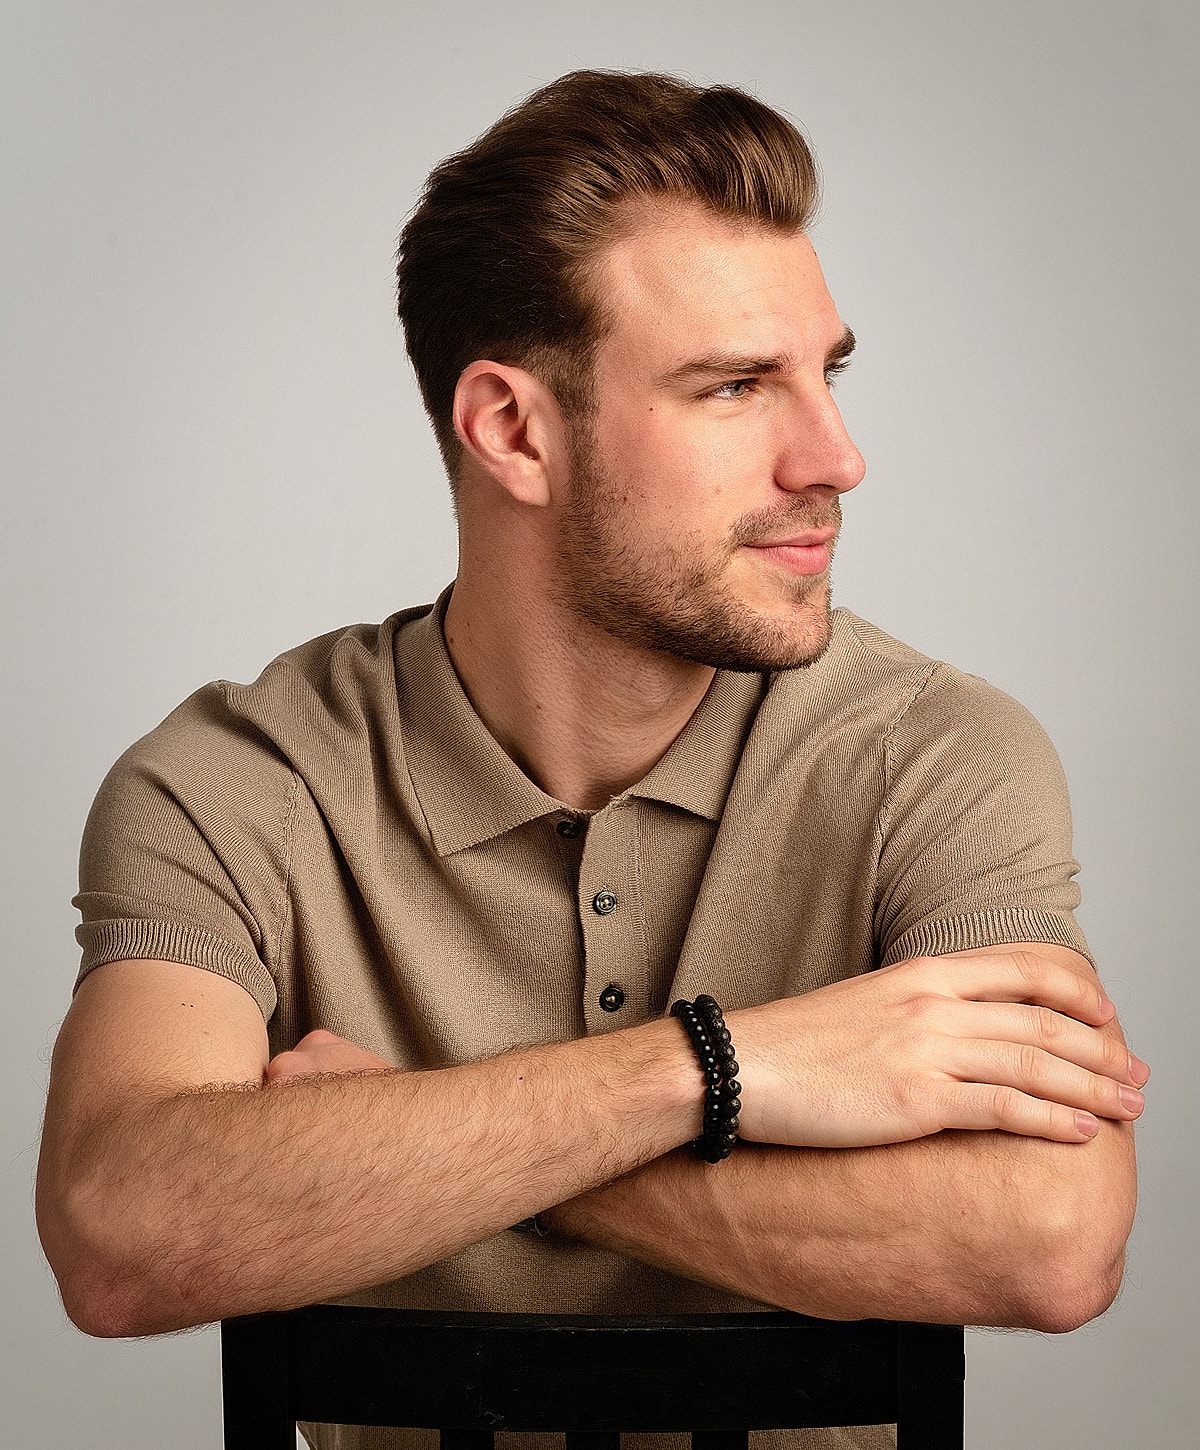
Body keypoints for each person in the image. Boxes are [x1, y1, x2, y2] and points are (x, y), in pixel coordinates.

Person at [36, 70, 1144, 1450]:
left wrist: (451, 1151)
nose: (838, 456)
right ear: (514, 429)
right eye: (738, 385)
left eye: (825, 373)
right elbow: (122, 1230)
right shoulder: (234, 782)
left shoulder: (936, 753)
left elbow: (1051, 1238)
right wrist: (720, 1067)